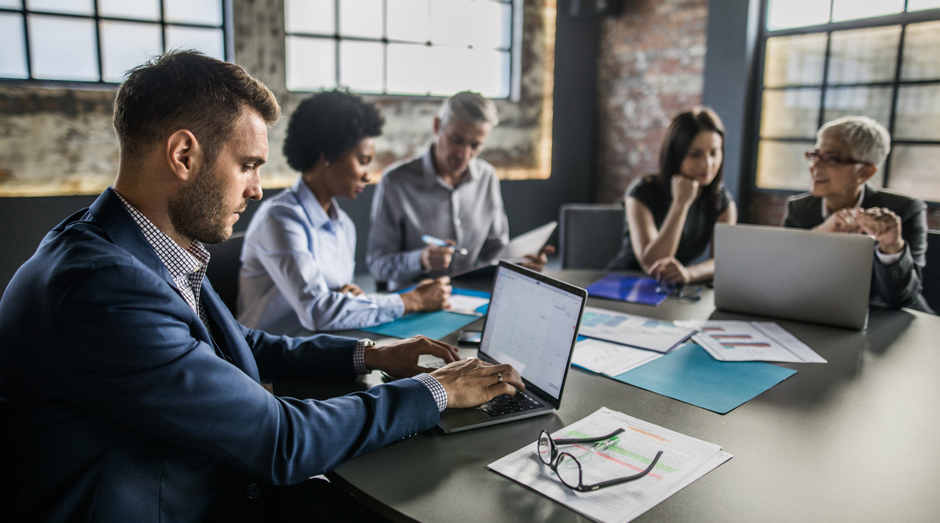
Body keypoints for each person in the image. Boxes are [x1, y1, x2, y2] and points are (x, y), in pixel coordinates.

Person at [0, 51, 523, 522]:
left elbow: (238, 344)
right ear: (184, 155)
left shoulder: (132, 243)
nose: (256, 188)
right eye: (248, 165)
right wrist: (438, 389)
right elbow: (280, 439)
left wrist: (374, 355)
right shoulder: (103, 289)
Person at [238, 90, 451, 335]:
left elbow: (332, 303)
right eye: (362, 160)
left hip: (321, 349)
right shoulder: (279, 219)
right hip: (268, 365)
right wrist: (413, 300)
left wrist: (353, 299)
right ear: (328, 154)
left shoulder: (344, 226)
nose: (368, 175)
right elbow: (319, 311)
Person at [367, 91, 553, 290]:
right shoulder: (395, 181)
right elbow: (377, 264)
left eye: (476, 145)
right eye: (456, 140)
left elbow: (494, 252)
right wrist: (421, 260)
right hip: (414, 303)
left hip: (471, 298)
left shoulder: (487, 177)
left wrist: (521, 262)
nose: (464, 154)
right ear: (437, 126)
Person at [783, 116, 930, 312]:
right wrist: (818, 235)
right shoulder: (799, 209)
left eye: (831, 159)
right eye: (815, 155)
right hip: (825, 315)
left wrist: (891, 247)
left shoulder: (905, 210)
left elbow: (902, 298)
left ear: (865, 173)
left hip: (891, 321)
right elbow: (782, 277)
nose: (815, 166)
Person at [607, 107, 737, 284]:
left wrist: (688, 274)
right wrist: (681, 204)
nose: (707, 164)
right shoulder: (641, 192)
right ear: (676, 155)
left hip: (673, 287)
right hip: (627, 282)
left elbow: (722, 262)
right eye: (695, 155)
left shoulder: (721, 202)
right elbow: (653, 264)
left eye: (714, 153)